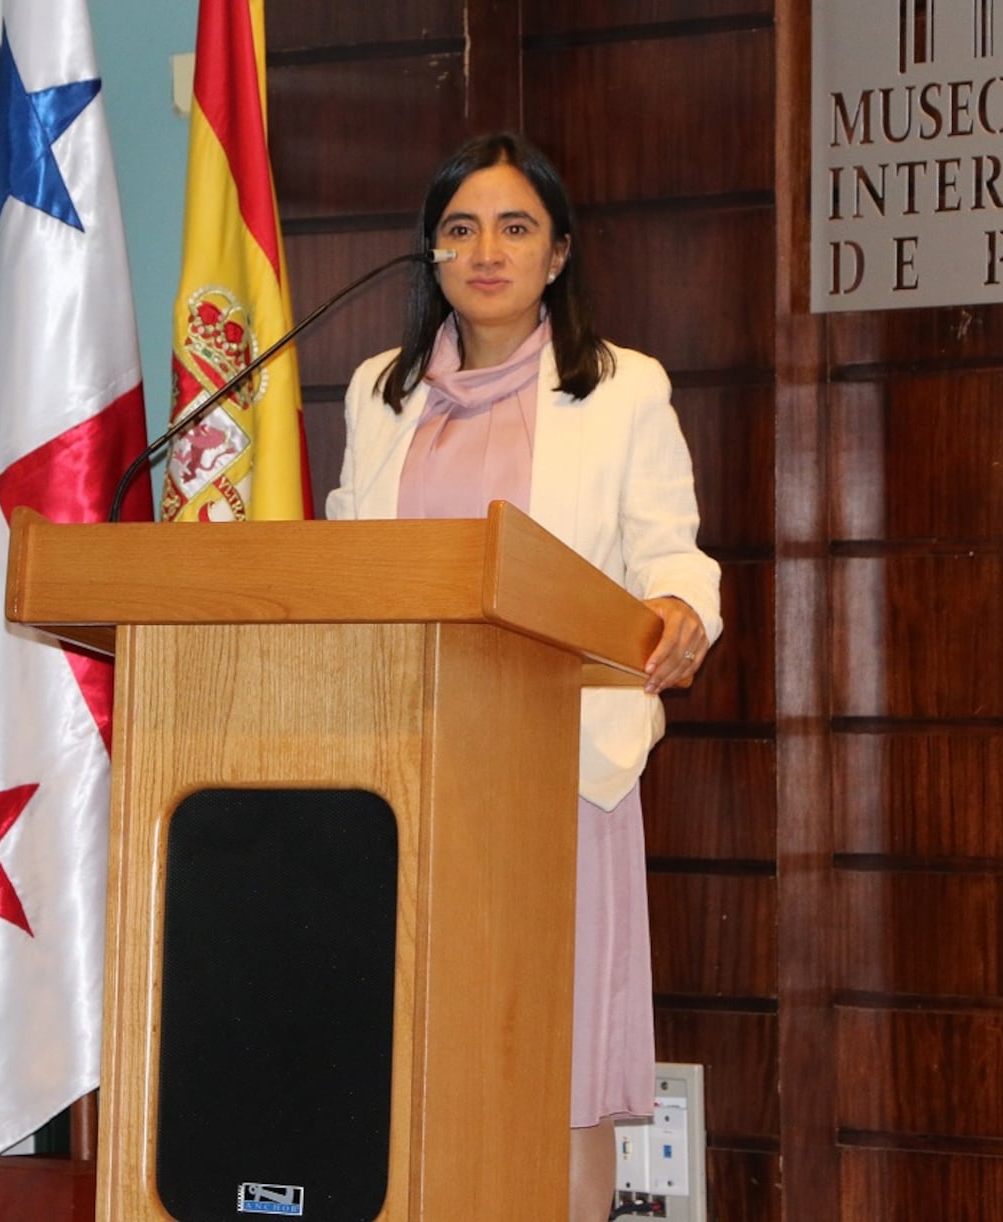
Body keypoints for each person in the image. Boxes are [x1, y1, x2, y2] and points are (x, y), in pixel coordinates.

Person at [325, 132, 722, 1222]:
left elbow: (669, 549)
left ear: (558, 257)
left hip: (560, 769)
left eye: (514, 227)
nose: (485, 249)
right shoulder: (379, 391)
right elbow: (352, 556)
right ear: (430, 253)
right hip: (403, 772)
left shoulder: (622, 388)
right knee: (412, 1051)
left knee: (557, 1060)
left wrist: (684, 605)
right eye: (460, 227)